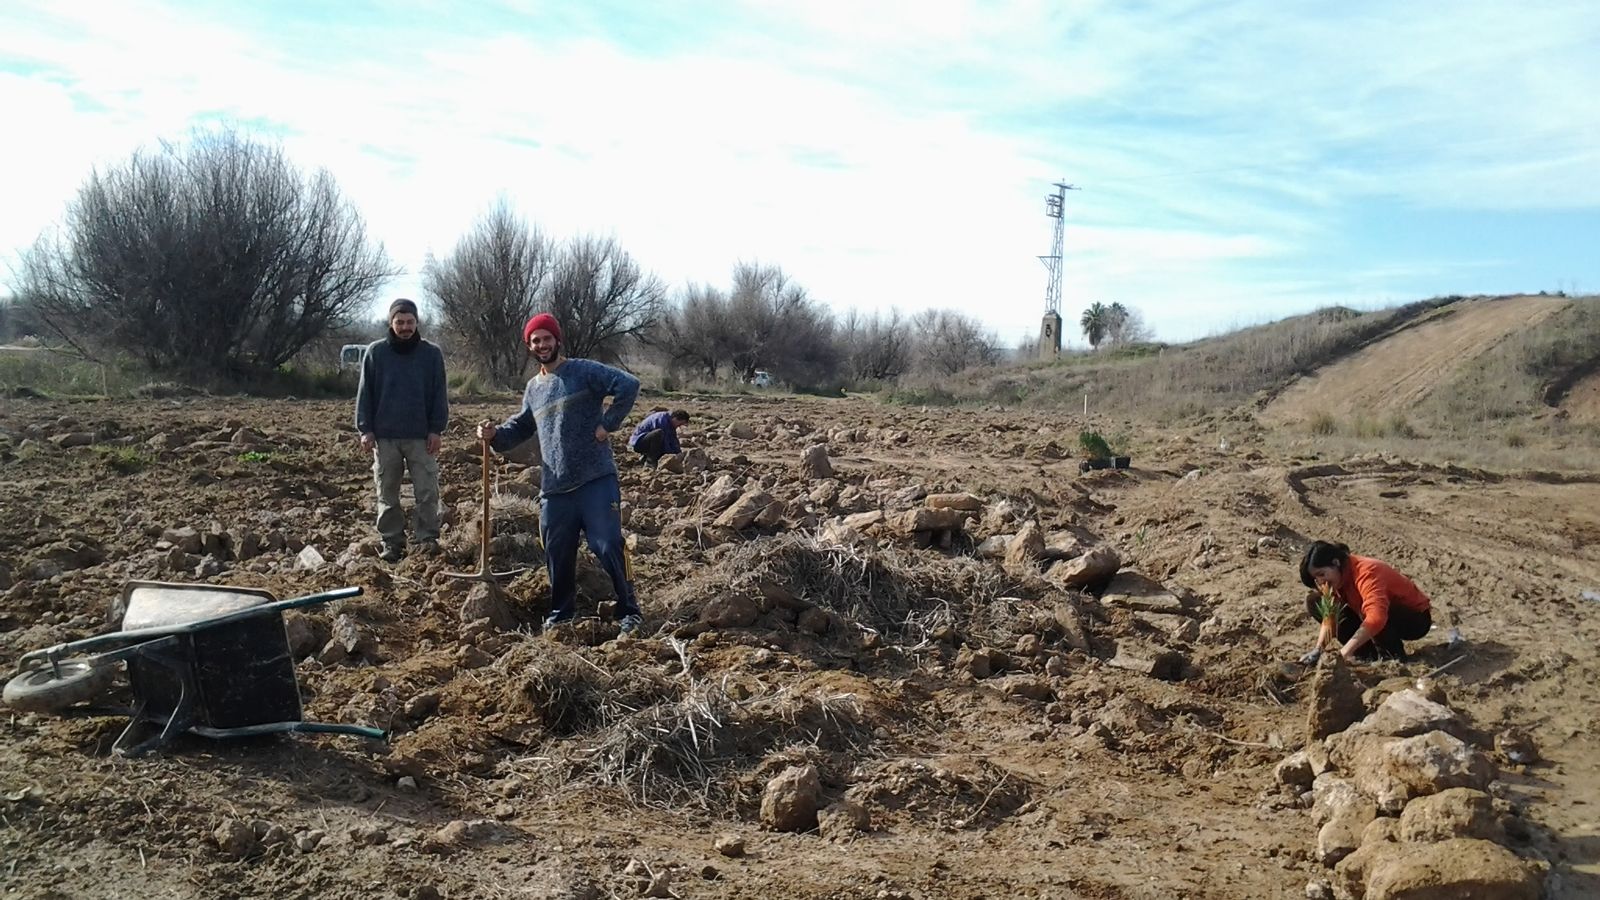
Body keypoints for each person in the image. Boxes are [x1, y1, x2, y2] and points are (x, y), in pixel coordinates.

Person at [476, 313, 644, 635]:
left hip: (595, 478)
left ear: (557, 339)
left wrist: (607, 425)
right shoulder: (534, 388)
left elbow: (628, 385)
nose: (542, 345)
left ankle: (629, 610)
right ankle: (561, 614)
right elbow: (521, 427)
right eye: (535, 340)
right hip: (555, 487)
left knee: (608, 544)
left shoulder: (583, 371)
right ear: (529, 346)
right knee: (556, 550)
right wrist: (494, 435)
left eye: (546, 338)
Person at [355, 298, 448, 562]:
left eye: (409, 322)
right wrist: (365, 429)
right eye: (400, 322)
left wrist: (436, 430)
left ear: (417, 322)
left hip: (421, 437)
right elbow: (365, 395)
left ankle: (426, 540)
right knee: (387, 493)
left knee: (427, 491)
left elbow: (439, 395)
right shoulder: (376, 353)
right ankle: (392, 543)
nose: (405, 327)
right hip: (385, 438)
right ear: (391, 322)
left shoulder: (431, 354)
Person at [1298, 540, 1433, 663]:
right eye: (1317, 578)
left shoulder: (1367, 572)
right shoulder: (1336, 579)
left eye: (1322, 574)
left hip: (1414, 619)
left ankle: (1392, 657)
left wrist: (1344, 652)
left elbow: (1376, 618)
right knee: (1315, 601)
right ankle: (1366, 654)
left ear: (1336, 563)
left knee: (1369, 611)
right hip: (1370, 614)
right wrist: (1318, 648)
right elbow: (1330, 615)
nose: (1321, 582)